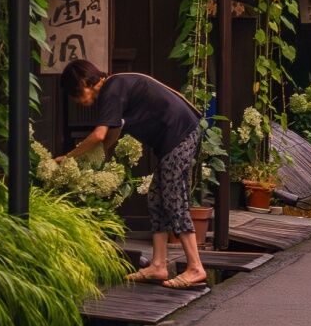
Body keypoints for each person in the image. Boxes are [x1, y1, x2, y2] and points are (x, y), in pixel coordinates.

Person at [61, 59, 207, 288]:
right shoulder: (116, 87)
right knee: (157, 197)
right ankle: (158, 265)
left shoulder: (111, 88)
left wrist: (68, 157)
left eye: (75, 94)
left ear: (82, 83)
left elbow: (100, 135)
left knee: (173, 196)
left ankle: (196, 267)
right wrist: (101, 161)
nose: (77, 101)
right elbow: (112, 134)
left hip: (180, 133)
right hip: (177, 136)